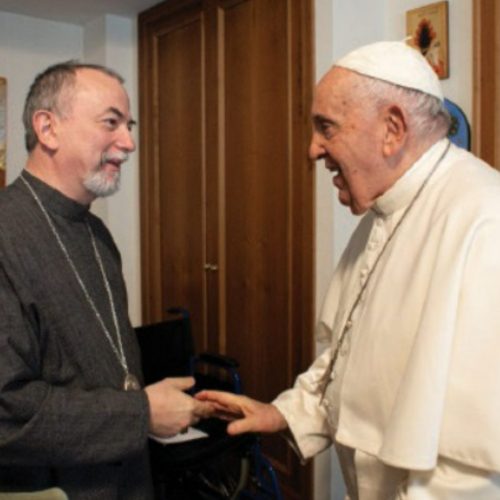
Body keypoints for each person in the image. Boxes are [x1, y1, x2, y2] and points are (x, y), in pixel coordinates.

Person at [197, 41, 500, 498]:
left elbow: (472, 469)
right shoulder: (385, 211)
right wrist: (283, 414)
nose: (312, 149)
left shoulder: (485, 220)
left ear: (392, 129)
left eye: (326, 127)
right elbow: (349, 357)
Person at [0, 61, 213, 499]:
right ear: (48, 128)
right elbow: (7, 412)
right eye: (110, 123)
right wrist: (141, 413)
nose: (129, 143)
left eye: (128, 126)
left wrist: (146, 407)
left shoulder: (97, 233)